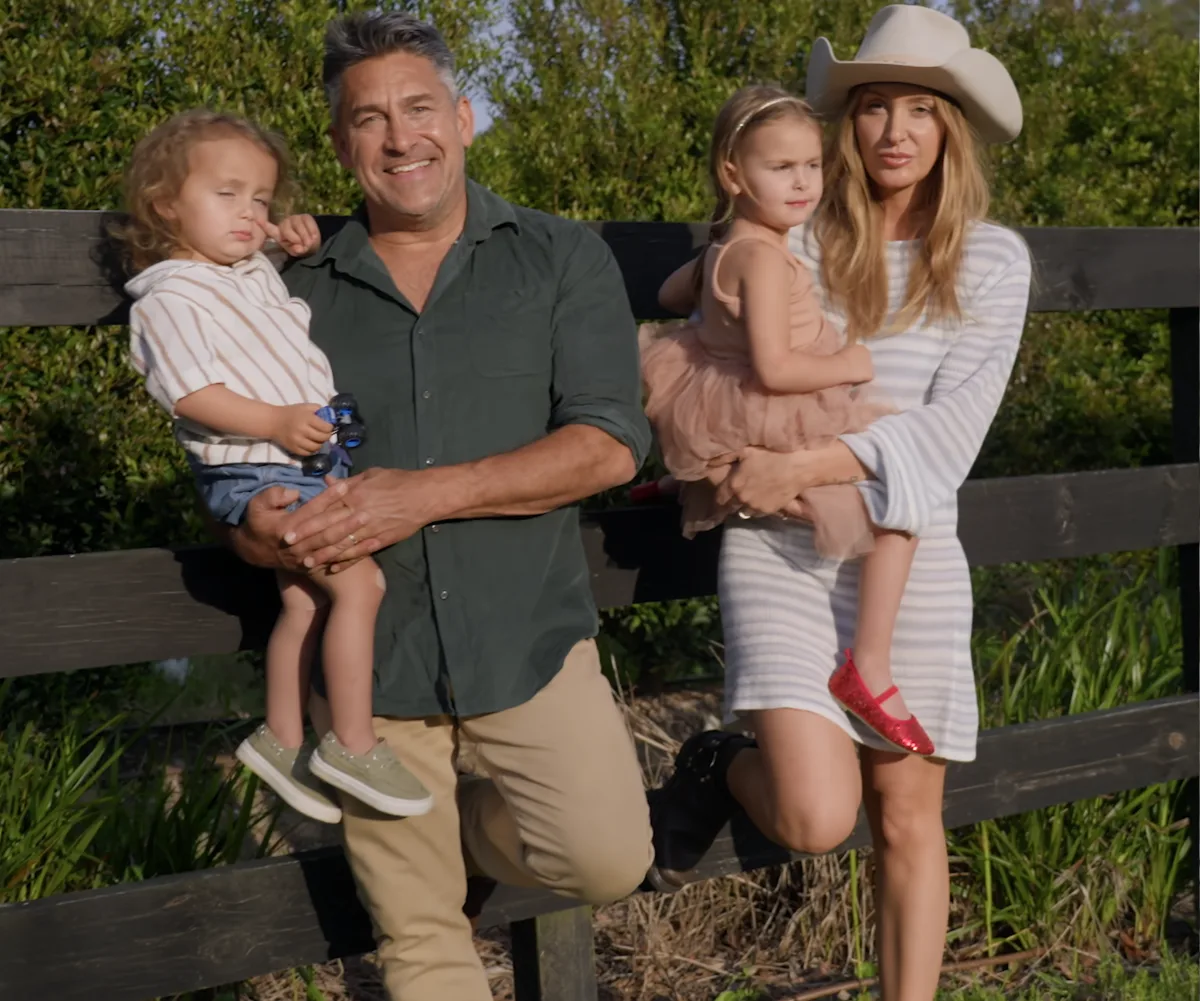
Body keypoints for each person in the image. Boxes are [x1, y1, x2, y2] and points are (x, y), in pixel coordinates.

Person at [214, 11, 654, 1000]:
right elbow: (224, 455)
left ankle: (458, 830)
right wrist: (252, 529)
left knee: (605, 858)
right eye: (369, 119)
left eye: (420, 108)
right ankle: (425, 846)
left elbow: (610, 442)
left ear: (463, 118)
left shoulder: (558, 257)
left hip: (525, 642)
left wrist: (427, 494)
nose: (400, 136)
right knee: (418, 941)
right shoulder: (282, 287)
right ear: (340, 146)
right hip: (374, 674)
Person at [645, 7, 1031, 1000]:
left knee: (907, 815)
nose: (894, 130)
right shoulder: (795, 238)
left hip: (908, 546)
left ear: (952, 128)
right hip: (780, 547)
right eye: (873, 108)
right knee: (816, 815)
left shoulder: (992, 260)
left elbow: (948, 435)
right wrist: (762, 463)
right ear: (847, 124)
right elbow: (713, 325)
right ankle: (718, 764)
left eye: (919, 109)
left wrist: (806, 459)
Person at [118, 109, 431, 825]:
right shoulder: (170, 295)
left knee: (305, 599)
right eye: (227, 195)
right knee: (361, 584)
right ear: (167, 204)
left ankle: (284, 736)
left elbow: (272, 273)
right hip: (258, 467)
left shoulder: (244, 269)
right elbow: (191, 393)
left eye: (260, 198)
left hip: (302, 461)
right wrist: (277, 423)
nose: (249, 212)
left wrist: (290, 238)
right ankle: (352, 741)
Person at [640, 83, 934, 756]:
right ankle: (870, 667)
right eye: (782, 168)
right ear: (733, 173)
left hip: (721, 403)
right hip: (777, 412)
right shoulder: (768, 259)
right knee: (895, 515)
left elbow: (667, 294)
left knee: (744, 467)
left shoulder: (726, 247)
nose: (804, 184)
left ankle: (684, 480)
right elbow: (774, 368)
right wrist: (852, 362)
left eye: (812, 166)